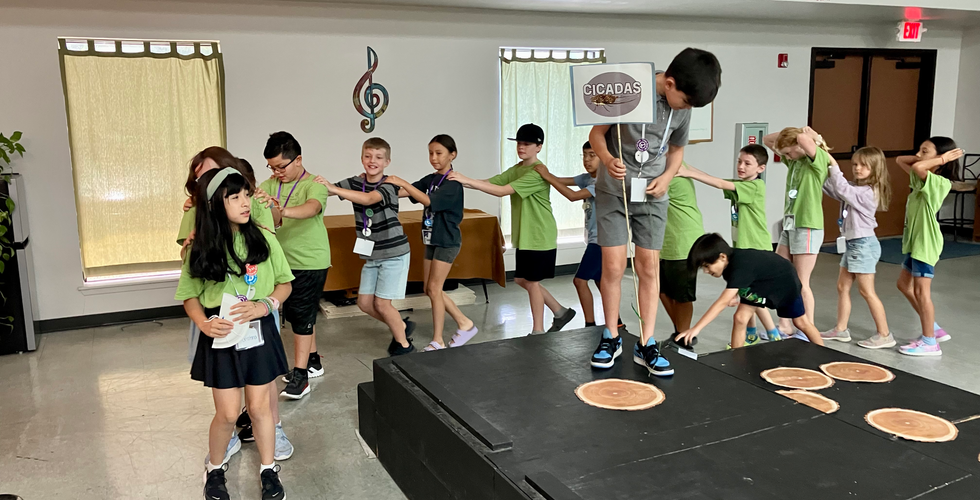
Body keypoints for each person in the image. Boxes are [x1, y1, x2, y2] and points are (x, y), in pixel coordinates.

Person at [587, 48, 721, 376]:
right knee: (614, 266)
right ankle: (611, 335)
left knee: (649, 267)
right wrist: (606, 160)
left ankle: (646, 342)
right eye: (686, 102)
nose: (688, 108)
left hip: (652, 196)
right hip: (614, 193)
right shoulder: (629, 89)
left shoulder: (682, 107)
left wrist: (667, 176)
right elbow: (595, 134)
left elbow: (677, 150)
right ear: (670, 83)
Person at [176, 167, 292, 500]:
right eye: (234, 197)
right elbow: (189, 296)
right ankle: (214, 470)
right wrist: (203, 323)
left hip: (258, 328)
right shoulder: (201, 246)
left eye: (246, 195)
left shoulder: (264, 238)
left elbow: (285, 283)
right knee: (228, 413)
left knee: (260, 409)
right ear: (215, 204)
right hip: (220, 333)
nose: (245, 203)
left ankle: (268, 470)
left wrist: (266, 306)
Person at [450, 123, 576, 335]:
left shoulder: (536, 172)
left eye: (526, 143)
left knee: (532, 282)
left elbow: (501, 191)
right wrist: (456, 180)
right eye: (519, 143)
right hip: (526, 235)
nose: (521, 147)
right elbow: (488, 182)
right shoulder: (518, 169)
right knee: (521, 279)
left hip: (539, 234)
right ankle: (560, 311)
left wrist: (463, 179)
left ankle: (537, 331)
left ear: (539, 147)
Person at [314, 137, 416, 356]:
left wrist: (335, 188)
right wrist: (316, 185)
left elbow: (369, 199)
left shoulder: (389, 185)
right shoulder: (354, 183)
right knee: (364, 303)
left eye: (379, 157)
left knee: (383, 304)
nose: (373, 161)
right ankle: (401, 326)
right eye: (368, 156)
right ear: (362, 158)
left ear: (387, 161)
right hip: (372, 256)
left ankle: (405, 346)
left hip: (393, 253)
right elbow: (328, 191)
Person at [677, 145, 780, 344]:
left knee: (754, 296)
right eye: (739, 162)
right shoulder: (742, 184)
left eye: (747, 163)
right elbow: (718, 180)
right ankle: (751, 333)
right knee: (747, 293)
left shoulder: (754, 187)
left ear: (761, 168)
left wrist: (688, 172)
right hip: (743, 247)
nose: (741, 166)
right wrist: (684, 166)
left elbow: (718, 184)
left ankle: (773, 333)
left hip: (756, 248)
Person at [534, 142, 626, 362]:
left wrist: (547, 177)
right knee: (600, 281)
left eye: (592, 155)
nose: (587, 160)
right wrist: (544, 173)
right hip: (595, 239)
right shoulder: (587, 178)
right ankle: (618, 321)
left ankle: (590, 324)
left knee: (580, 280)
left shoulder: (602, 181)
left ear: (603, 158)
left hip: (603, 241)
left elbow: (572, 195)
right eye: (584, 155)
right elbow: (564, 180)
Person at [259, 132, 331, 400]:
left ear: (298, 159)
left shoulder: (314, 184)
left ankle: (300, 377)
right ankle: (312, 361)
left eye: (281, 166)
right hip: (281, 264)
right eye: (272, 167)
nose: (277, 173)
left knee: (302, 316)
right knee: (297, 316)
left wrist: (281, 211)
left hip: (310, 261)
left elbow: (311, 208)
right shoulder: (267, 186)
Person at [399, 134, 478, 350]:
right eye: (430, 153)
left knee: (435, 288)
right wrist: (381, 187)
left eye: (439, 153)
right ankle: (464, 322)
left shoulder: (453, 183)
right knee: (429, 288)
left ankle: (438, 340)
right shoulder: (432, 179)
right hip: (432, 239)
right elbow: (407, 191)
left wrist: (401, 181)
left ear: (452, 155)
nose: (433, 158)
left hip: (447, 241)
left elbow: (428, 200)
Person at [677, 233, 824, 348]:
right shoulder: (729, 264)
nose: (706, 271)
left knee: (801, 322)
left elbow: (722, 302)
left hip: (785, 281)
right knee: (740, 318)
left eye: (707, 266)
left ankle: (823, 353)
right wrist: (734, 294)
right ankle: (737, 359)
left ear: (722, 257)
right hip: (758, 284)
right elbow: (739, 282)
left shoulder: (739, 265)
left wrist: (696, 329)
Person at [819, 147, 894, 348]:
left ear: (875, 168)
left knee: (867, 291)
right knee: (842, 287)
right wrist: (818, 165)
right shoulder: (854, 188)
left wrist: (832, 164)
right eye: (855, 164)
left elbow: (843, 189)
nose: (857, 169)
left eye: (863, 165)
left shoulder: (867, 192)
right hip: (853, 244)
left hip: (863, 245)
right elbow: (831, 187)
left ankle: (884, 334)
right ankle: (840, 329)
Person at [893, 137, 963, 356]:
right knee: (904, 285)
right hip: (916, 242)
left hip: (926, 243)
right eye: (919, 151)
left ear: (941, 160)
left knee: (922, 293)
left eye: (925, 151)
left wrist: (939, 158)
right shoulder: (923, 177)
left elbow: (917, 166)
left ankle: (930, 342)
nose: (919, 155)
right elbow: (899, 161)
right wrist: (925, 156)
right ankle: (932, 326)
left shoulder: (939, 182)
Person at [763, 126, 830, 338]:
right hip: (790, 224)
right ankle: (785, 325)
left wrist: (810, 135)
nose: (786, 156)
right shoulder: (793, 161)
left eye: (789, 152)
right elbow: (767, 139)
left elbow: (803, 137)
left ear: (800, 146)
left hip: (808, 225)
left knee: (801, 281)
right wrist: (787, 136)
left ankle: (806, 328)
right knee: (782, 274)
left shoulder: (817, 160)